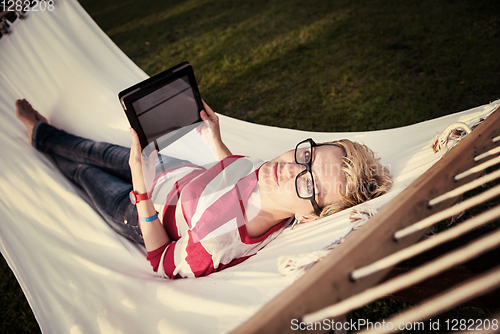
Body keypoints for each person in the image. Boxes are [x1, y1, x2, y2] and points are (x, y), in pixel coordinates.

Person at [15, 98, 392, 279]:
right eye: (305, 154)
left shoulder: (218, 242)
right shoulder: (274, 181)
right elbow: (237, 173)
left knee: (83, 172)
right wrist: (216, 140)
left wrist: (141, 188)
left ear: (308, 215)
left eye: (308, 181)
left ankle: (40, 137)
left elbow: (161, 258)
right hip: (172, 172)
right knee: (95, 149)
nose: (289, 166)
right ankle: (49, 135)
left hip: (140, 212)